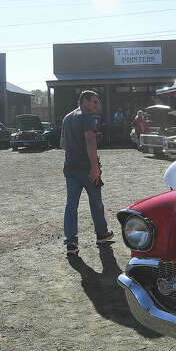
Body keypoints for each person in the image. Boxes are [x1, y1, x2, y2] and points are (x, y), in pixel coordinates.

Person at [61, 89, 112, 255]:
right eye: (94, 101)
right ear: (84, 101)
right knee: (96, 203)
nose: (97, 105)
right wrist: (95, 166)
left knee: (71, 205)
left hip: (70, 168)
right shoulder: (87, 117)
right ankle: (102, 234)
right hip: (87, 169)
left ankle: (71, 242)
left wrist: (74, 148)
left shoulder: (67, 118)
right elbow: (91, 142)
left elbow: (62, 144)